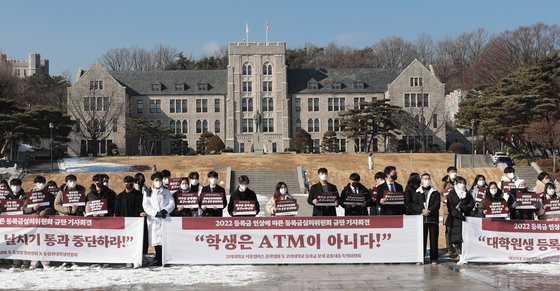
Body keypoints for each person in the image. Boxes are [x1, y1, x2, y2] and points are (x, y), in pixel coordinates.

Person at [142, 172, 175, 266]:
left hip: (164, 218)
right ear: (153, 181)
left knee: (164, 237)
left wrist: (165, 211)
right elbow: (146, 205)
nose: (158, 182)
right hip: (154, 219)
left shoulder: (166, 191)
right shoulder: (148, 192)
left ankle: (162, 257)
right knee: (156, 238)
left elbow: (172, 203)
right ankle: (158, 256)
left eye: (160, 180)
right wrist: (155, 213)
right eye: (156, 180)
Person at [23, 176, 56, 269]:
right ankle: (34, 263)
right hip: (33, 221)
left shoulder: (49, 195)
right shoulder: (29, 195)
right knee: (33, 243)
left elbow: (54, 208)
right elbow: (24, 209)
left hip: (45, 221)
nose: (40, 184)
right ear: (35, 184)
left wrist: (46, 211)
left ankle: (46, 263)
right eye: (38, 183)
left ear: (45, 183)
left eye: (42, 182)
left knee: (45, 242)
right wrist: (33, 209)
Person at [114, 176, 146, 268]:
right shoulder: (119, 197)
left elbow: (142, 207)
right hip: (126, 224)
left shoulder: (139, 195)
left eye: (130, 182)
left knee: (138, 242)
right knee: (127, 242)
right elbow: (117, 211)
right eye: (126, 183)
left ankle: (139, 259)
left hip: (137, 223)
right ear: (124, 183)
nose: (128, 184)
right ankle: (128, 259)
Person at [411, 173, 440, 264]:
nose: (426, 180)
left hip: (432, 219)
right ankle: (421, 258)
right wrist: (422, 210)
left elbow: (437, 205)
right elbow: (414, 204)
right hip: (421, 219)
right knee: (421, 240)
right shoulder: (417, 192)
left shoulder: (435, 192)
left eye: (428, 178)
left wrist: (429, 211)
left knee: (433, 240)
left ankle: (434, 258)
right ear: (421, 180)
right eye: (424, 178)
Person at [445, 176, 474, 262]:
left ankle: (464, 254)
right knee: (456, 237)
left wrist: (464, 208)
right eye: (460, 183)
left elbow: (471, 203)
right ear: (456, 184)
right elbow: (450, 207)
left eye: (463, 183)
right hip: (455, 218)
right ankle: (458, 253)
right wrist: (457, 214)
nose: (462, 185)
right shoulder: (451, 193)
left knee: (464, 237)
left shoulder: (467, 193)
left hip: (465, 217)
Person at [441, 166, 458, 257]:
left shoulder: (459, 181)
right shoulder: (445, 183)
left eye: (455, 171)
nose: (453, 173)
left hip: (457, 209)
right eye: (451, 172)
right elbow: (441, 194)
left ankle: (457, 248)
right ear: (448, 173)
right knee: (448, 229)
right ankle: (449, 248)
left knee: (457, 228)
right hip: (447, 210)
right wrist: (445, 200)